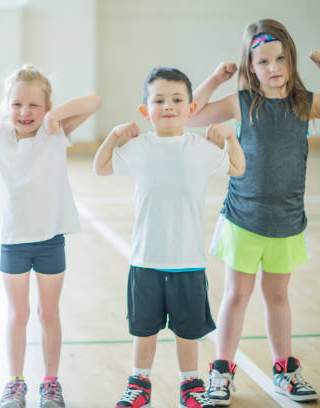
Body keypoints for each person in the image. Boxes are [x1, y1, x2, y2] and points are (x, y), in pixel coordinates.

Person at [0, 64, 101, 408]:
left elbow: (94, 101)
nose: (25, 113)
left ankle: (51, 383)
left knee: (48, 314)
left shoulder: (55, 132)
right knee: (19, 314)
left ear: (46, 108)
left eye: (34, 106)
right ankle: (15, 383)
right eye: (17, 105)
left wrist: (58, 115)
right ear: (6, 106)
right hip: (12, 240)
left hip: (50, 239)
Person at [186, 18, 320, 405]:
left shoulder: (304, 103)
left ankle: (284, 370)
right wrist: (215, 78)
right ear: (250, 67)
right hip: (244, 219)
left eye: (280, 59)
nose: (274, 68)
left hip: (286, 222)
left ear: (291, 59)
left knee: (278, 296)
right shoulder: (242, 103)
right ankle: (221, 372)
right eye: (263, 62)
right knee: (236, 296)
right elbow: (191, 116)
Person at [94, 67, 245, 408]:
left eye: (177, 99)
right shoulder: (138, 147)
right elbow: (100, 167)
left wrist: (231, 139)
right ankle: (140, 383)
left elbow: (237, 168)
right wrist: (113, 137)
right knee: (144, 331)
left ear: (191, 109)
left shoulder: (202, 149)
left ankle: (190, 386)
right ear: (145, 111)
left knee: (187, 332)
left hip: (188, 261)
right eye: (159, 100)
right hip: (146, 260)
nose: (168, 106)